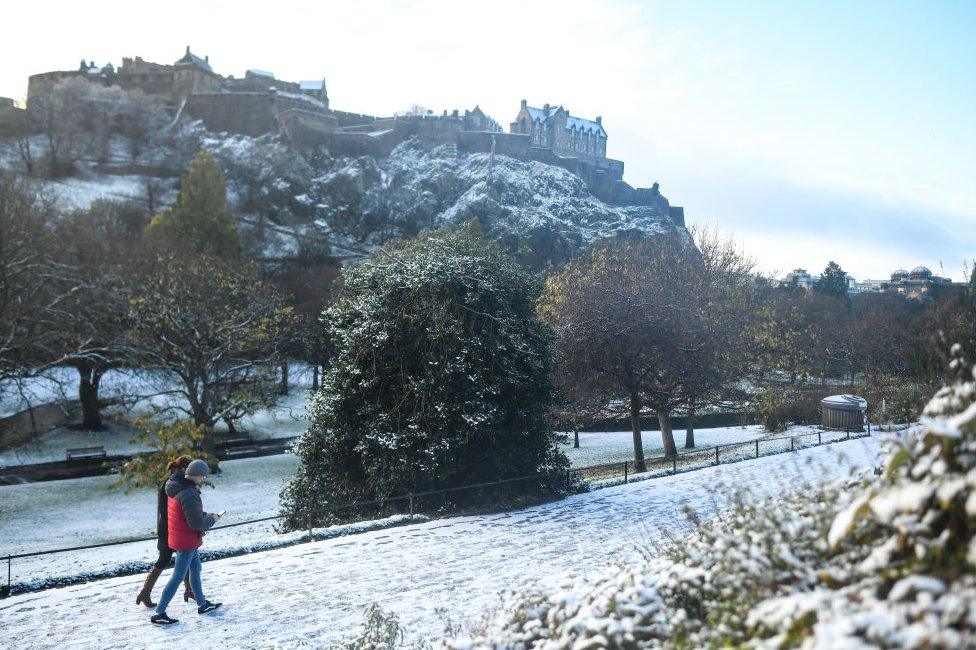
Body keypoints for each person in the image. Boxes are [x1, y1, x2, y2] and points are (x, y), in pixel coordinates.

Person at [151, 458, 223, 625]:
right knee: (178, 576)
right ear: (197, 475)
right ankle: (159, 613)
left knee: (196, 568)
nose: (203, 480)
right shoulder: (189, 493)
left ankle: (202, 604)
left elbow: (188, 513)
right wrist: (212, 520)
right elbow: (196, 524)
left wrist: (206, 515)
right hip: (186, 540)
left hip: (181, 536)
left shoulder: (175, 485)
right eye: (203, 477)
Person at [136, 456, 196, 608]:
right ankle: (145, 592)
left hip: (170, 526)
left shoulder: (174, 481)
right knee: (165, 559)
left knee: (184, 557)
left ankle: (189, 590)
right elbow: (173, 508)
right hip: (170, 528)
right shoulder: (172, 483)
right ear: (184, 469)